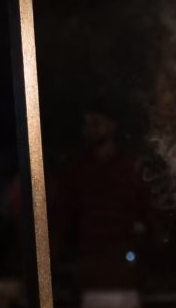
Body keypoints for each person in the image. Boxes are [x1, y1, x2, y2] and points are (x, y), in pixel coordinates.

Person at [52, 98, 154, 290]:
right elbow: (62, 216)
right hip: (89, 260)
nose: (90, 129)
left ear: (112, 126)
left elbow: (149, 208)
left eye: (96, 123)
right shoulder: (76, 169)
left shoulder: (131, 165)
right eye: (87, 124)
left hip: (124, 259)